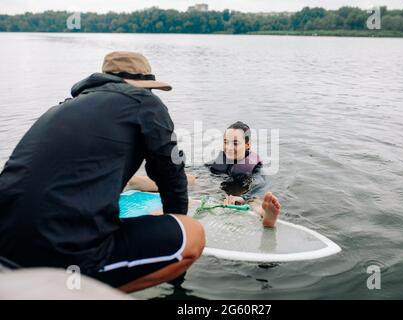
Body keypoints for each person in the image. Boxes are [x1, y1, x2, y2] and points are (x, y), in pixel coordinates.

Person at [0, 51, 205, 293]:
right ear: (141, 86)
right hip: (63, 254)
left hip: (6, 241)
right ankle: (81, 293)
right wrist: (175, 221)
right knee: (193, 234)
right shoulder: (145, 103)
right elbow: (172, 176)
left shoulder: (60, 109)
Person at [127, 121, 282, 227]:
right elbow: (205, 169)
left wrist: (243, 197)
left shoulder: (253, 166)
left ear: (247, 144)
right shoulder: (222, 159)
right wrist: (182, 169)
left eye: (235, 143)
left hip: (243, 187)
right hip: (218, 183)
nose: (228, 147)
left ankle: (265, 214)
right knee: (187, 178)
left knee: (253, 200)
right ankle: (135, 182)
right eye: (226, 142)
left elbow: (258, 182)